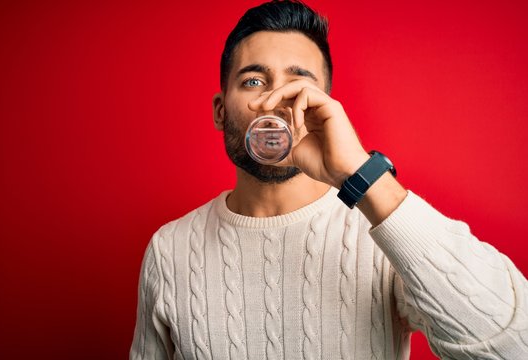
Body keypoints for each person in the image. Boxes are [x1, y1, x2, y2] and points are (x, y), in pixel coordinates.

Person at [130, 1, 528, 359]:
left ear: (322, 107)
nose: (277, 102)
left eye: (298, 84)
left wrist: (361, 174)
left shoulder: (381, 234)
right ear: (221, 111)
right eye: (254, 81)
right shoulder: (170, 249)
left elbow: (514, 346)